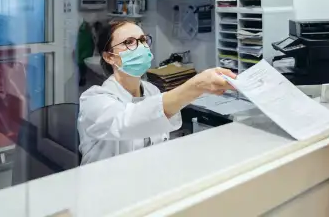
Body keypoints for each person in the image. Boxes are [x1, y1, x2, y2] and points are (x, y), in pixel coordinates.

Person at [78, 20, 236, 165]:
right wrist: (196, 85)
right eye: (129, 42)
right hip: (105, 189)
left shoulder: (151, 91)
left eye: (142, 40)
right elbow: (129, 121)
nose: (141, 47)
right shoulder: (93, 100)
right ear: (109, 57)